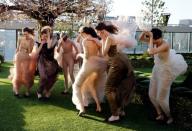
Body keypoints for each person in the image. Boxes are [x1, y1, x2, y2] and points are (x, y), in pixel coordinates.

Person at [139, 28, 187, 124]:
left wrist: (151, 37)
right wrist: (145, 31)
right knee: (152, 94)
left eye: (153, 39)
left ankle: (170, 116)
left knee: (161, 98)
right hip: (156, 69)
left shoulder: (165, 44)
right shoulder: (154, 40)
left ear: (158, 38)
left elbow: (151, 52)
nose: (151, 42)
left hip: (165, 72)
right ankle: (160, 114)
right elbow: (140, 39)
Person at [95, 22, 136, 122]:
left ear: (102, 31)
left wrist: (102, 40)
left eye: (98, 32)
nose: (97, 35)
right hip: (120, 61)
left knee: (108, 89)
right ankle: (120, 110)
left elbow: (103, 53)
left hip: (116, 63)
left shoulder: (108, 38)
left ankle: (115, 114)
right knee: (117, 87)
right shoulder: (111, 36)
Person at [72, 26, 107, 115]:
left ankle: (81, 108)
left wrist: (80, 54)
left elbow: (87, 57)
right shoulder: (97, 40)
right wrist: (95, 41)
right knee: (91, 85)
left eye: (80, 33)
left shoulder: (85, 41)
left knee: (76, 85)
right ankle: (98, 106)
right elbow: (102, 53)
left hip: (88, 66)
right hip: (98, 66)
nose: (80, 34)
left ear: (85, 33)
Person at [10, 27, 35, 97]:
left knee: (26, 74)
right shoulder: (20, 38)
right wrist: (14, 57)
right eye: (24, 34)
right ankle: (17, 91)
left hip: (27, 57)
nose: (25, 36)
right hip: (19, 56)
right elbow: (17, 48)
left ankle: (27, 91)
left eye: (26, 34)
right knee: (18, 73)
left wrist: (29, 42)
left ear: (29, 33)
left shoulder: (32, 40)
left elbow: (30, 51)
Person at [36, 26, 59, 99]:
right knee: (43, 77)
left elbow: (49, 47)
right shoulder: (39, 42)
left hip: (51, 62)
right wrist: (41, 44)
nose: (45, 37)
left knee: (50, 78)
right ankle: (39, 92)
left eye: (46, 35)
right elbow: (37, 52)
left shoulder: (52, 41)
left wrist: (48, 36)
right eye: (43, 35)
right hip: (42, 61)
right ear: (41, 35)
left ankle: (47, 90)